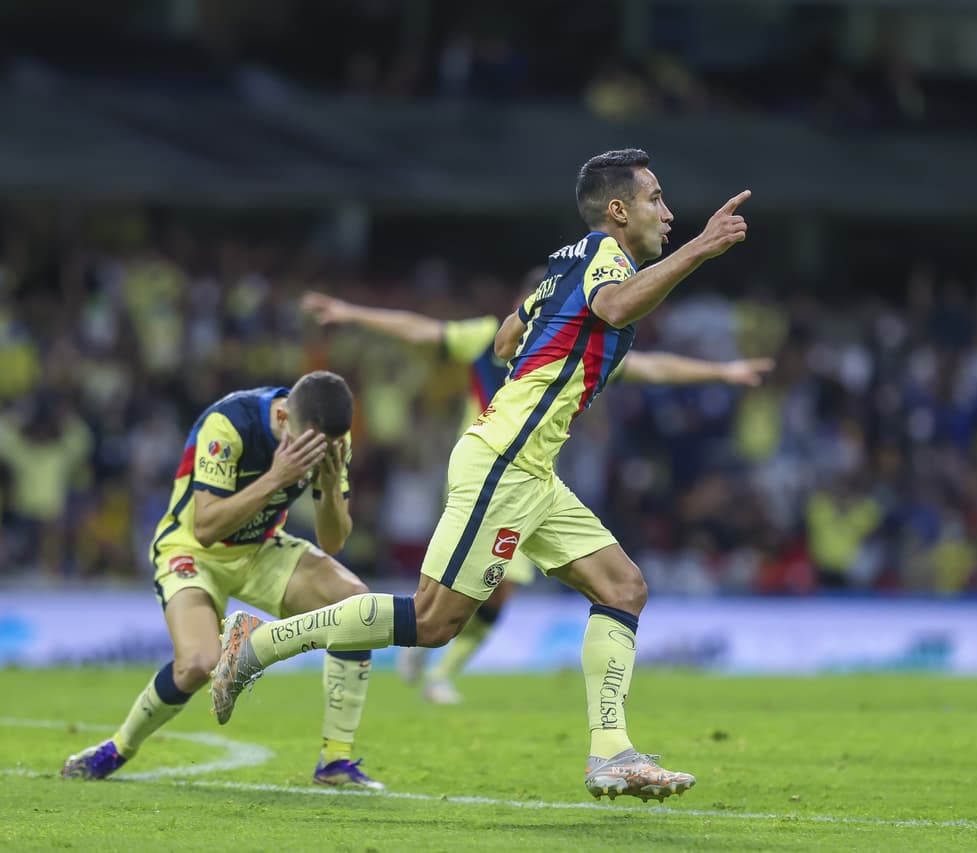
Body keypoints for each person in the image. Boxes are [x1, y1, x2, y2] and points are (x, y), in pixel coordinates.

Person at [211, 148, 750, 802]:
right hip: (505, 460)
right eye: (655, 198)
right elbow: (612, 310)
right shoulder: (607, 259)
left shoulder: (560, 266)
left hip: (531, 468)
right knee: (435, 621)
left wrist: (542, 338)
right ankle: (257, 643)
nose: (667, 212)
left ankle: (612, 752)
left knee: (622, 586)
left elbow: (502, 338)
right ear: (618, 210)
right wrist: (698, 248)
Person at [300, 290, 773, 704]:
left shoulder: (586, 345)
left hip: (530, 477)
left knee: (494, 597)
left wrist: (723, 372)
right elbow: (423, 332)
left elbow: (653, 368)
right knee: (451, 609)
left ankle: (434, 670)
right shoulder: (488, 336)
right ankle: (419, 665)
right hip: (492, 468)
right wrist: (351, 312)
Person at [61, 372, 385, 790]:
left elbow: (333, 539)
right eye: (306, 444)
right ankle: (119, 748)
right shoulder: (229, 424)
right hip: (192, 553)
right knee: (196, 664)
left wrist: (326, 481)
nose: (312, 452)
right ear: (283, 415)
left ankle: (336, 761)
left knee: (356, 607)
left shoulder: (330, 439)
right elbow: (206, 528)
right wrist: (276, 476)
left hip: (260, 548)